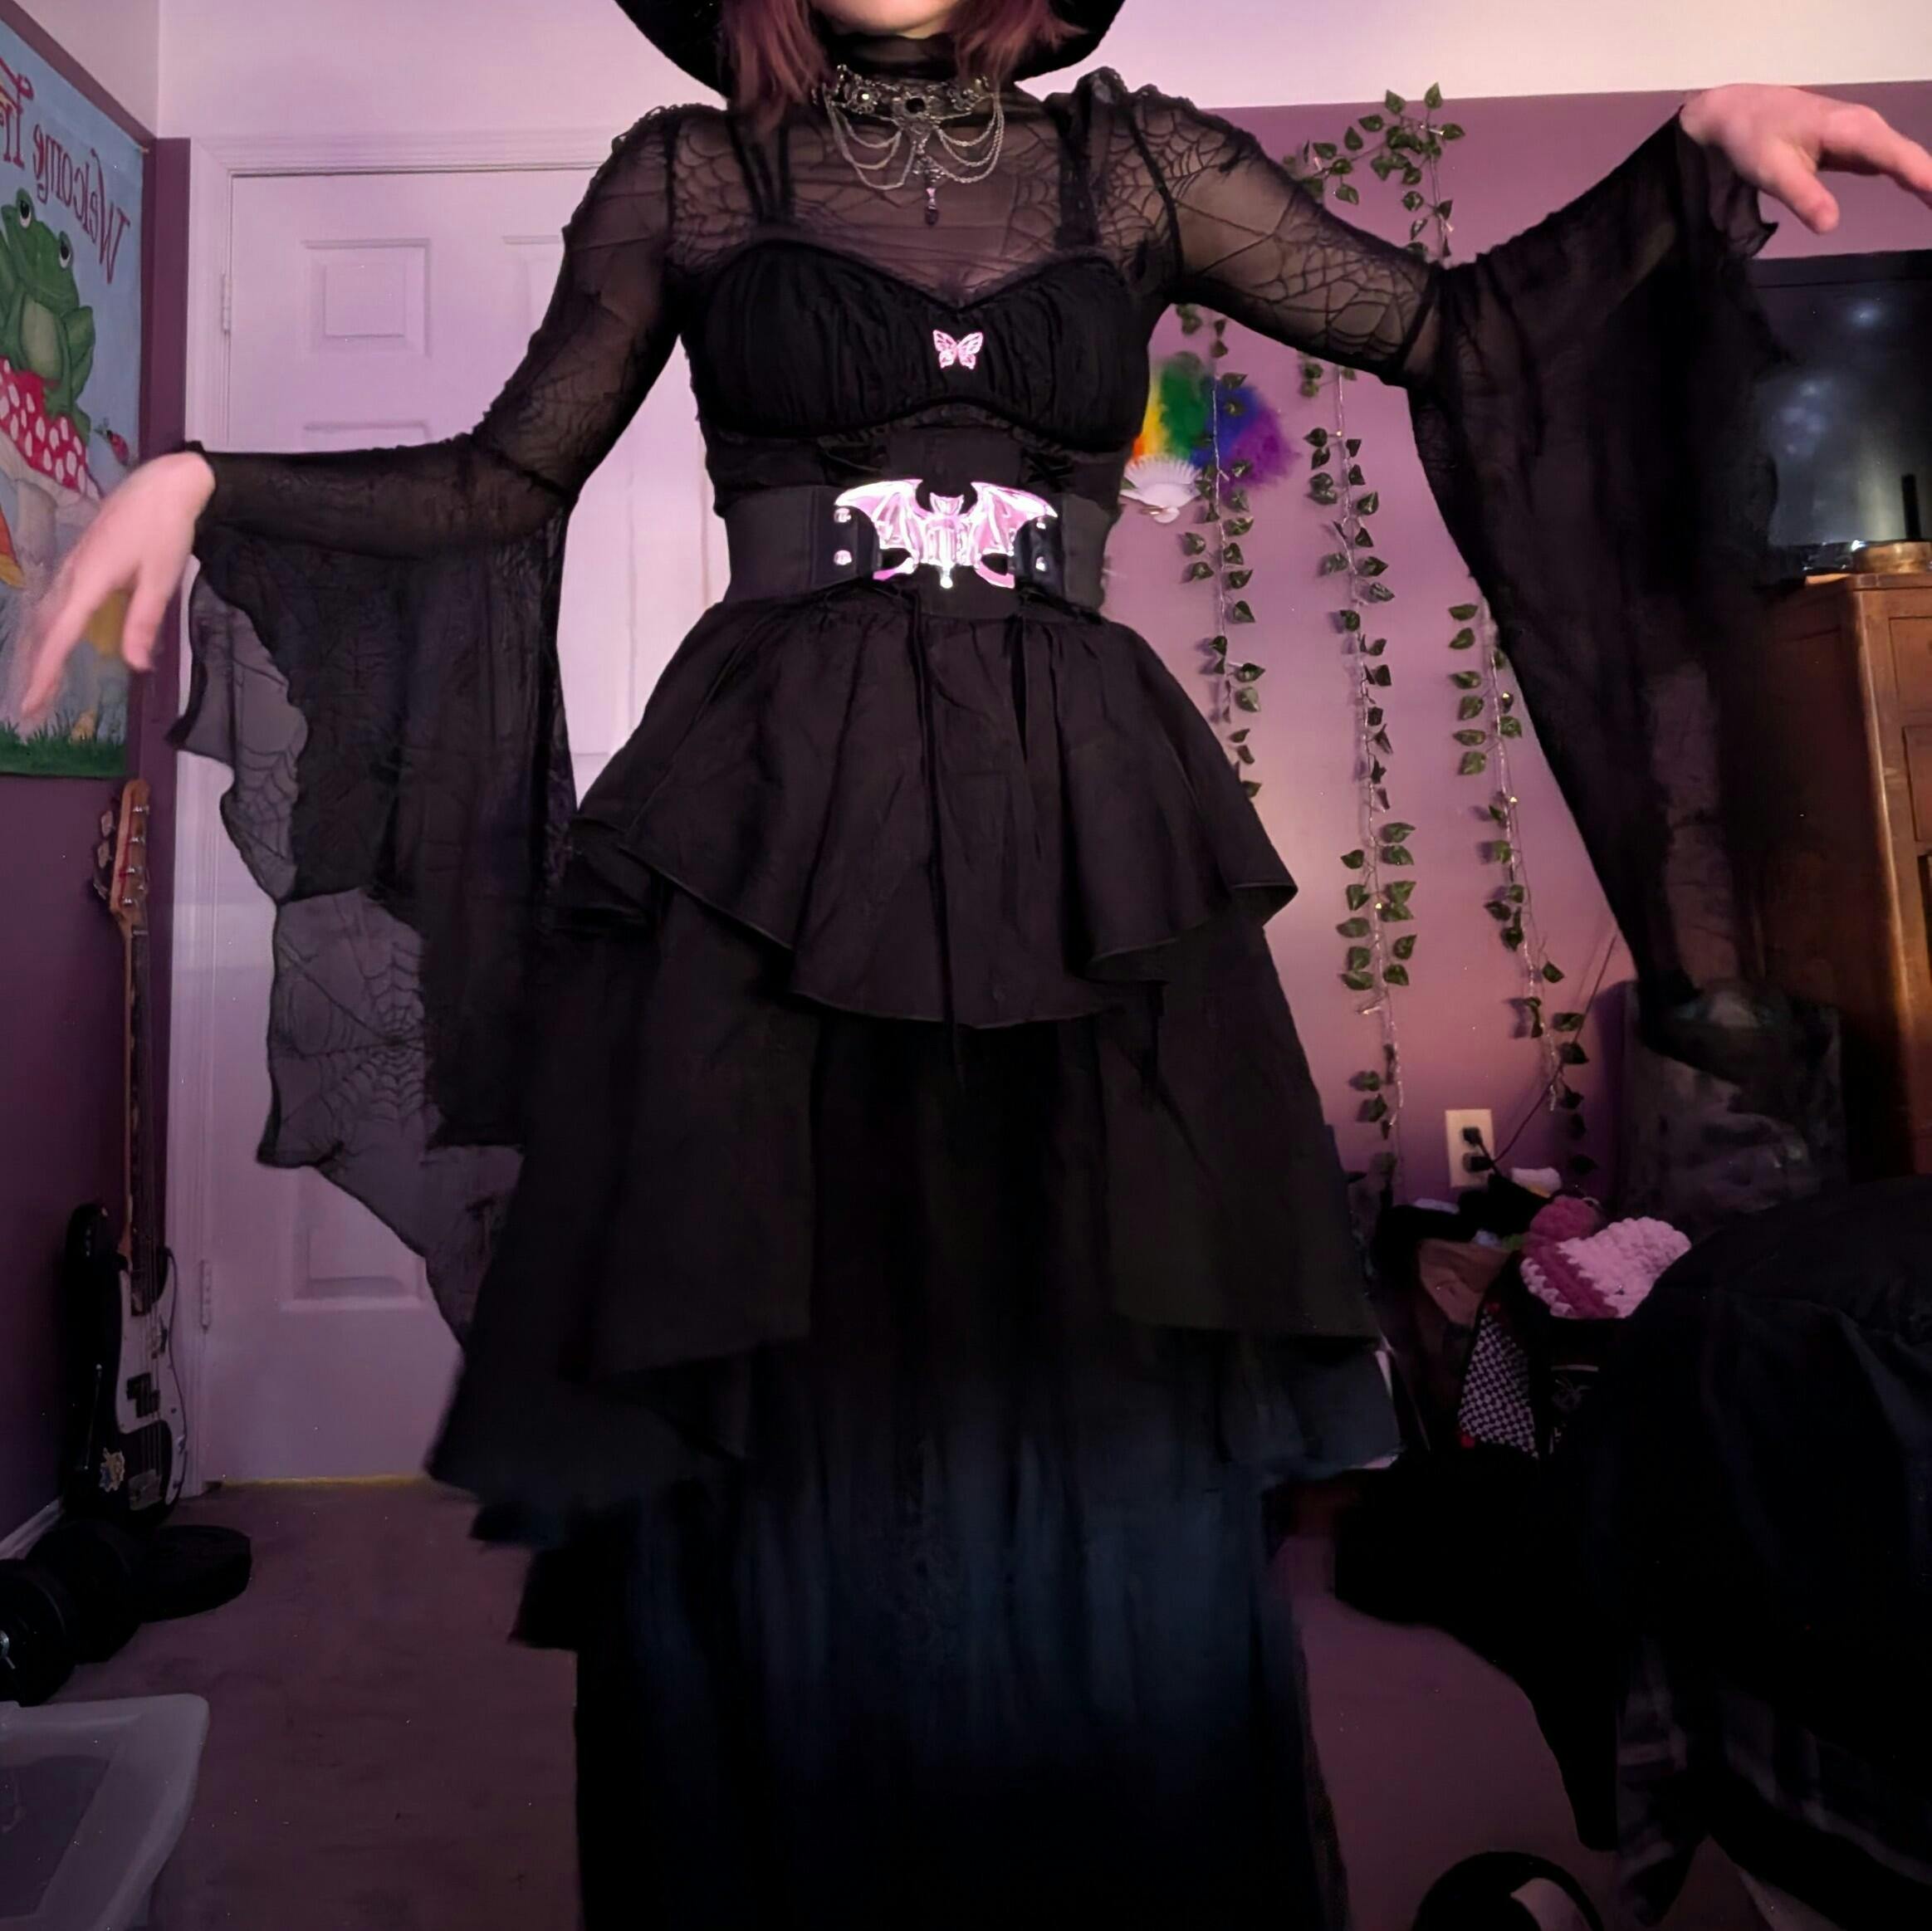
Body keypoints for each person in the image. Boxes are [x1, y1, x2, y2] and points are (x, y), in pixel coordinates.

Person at [20, 2, 1932, 1924]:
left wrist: (1688, 158)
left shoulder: (1141, 164)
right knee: (781, 1395)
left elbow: (1457, 330)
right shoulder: (689, 175)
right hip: (765, 845)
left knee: (1094, 1385)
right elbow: (501, 483)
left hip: (1082, 836)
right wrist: (205, 482)